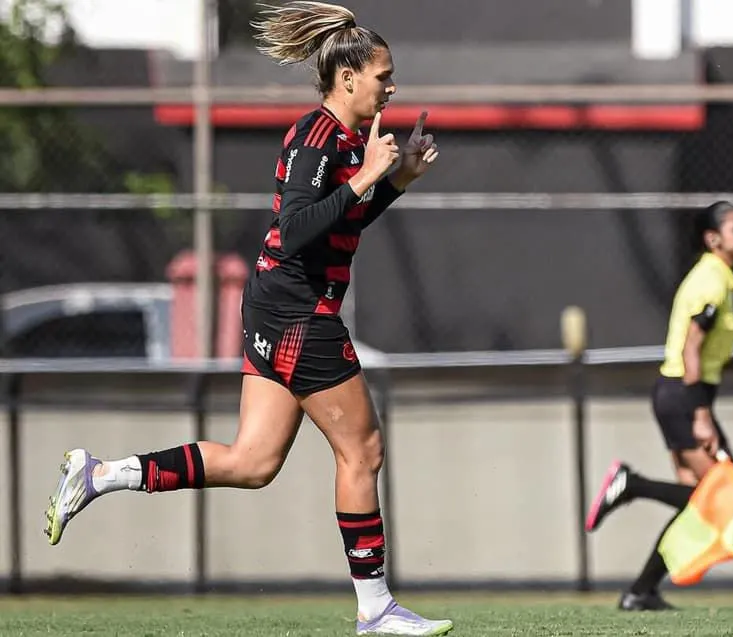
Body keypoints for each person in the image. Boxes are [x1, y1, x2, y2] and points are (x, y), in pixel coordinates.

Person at [44, 3, 452, 635]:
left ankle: (100, 474)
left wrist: (393, 181)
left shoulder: (342, 140)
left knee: (252, 462)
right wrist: (370, 176)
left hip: (275, 304)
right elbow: (293, 233)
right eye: (382, 76)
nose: (390, 88)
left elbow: (335, 223)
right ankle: (375, 610)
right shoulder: (322, 138)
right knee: (363, 451)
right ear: (347, 79)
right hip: (296, 311)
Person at [583, 201, 733, 611]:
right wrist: (702, 417)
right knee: (724, 499)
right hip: (683, 399)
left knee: (699, 500)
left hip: (682, 395)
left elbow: (708, 356)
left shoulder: (719, 279)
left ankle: (640, 591)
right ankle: (630, 483)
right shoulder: (712, 280)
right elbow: (691, 350)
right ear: (714, 239)